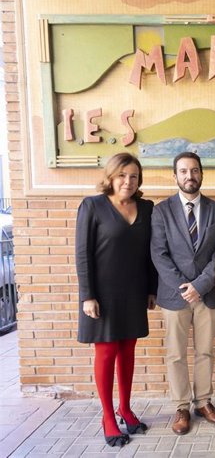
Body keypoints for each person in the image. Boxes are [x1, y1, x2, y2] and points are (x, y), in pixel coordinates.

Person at [75, 152, 156, 447]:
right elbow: (82, 254)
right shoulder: (92, 206)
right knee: (107, 353)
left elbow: (151, 253)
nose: (128, 181)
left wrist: (152, 289)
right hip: (102, 295)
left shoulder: (147, 208)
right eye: (122, 175)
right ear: (111, 177)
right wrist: (88, 296)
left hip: (134, 292)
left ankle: (126, 408)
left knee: (128, 351)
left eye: (134, 176)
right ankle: (108, 416)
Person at [150, 151, 215, 435]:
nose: (189, 176)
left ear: (202, 174)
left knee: (205, 351)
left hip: (207, 294)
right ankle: (182, 406)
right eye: (183, 171)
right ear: (175, 176)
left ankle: (204, 402)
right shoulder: (161, 211)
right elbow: (159, 254)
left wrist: (200, 285)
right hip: (174, 296)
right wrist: (185, 286)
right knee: (176, 353)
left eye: (194, 170)